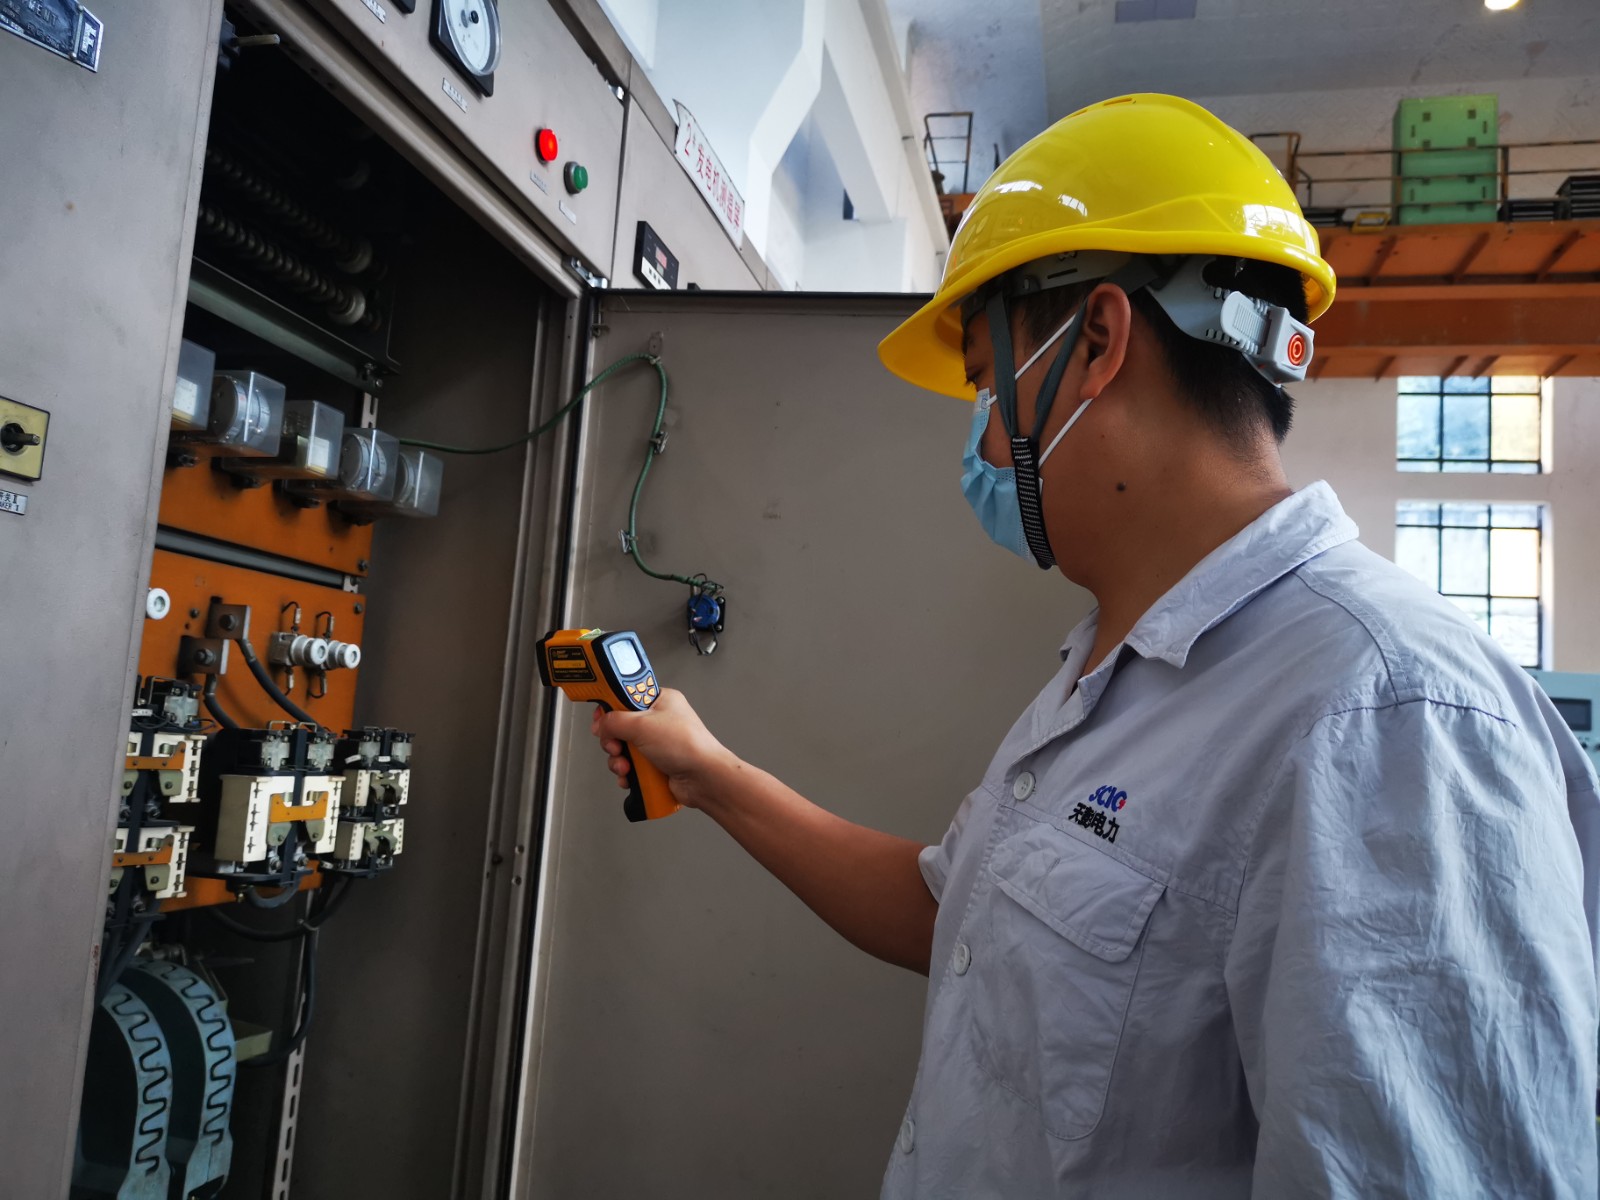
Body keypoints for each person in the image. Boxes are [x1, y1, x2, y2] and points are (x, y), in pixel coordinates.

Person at [591, 93, 1600, 1197]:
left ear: (1100, 344)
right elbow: (955, 913)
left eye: (988, 387)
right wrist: (708, 773)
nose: (985, 442)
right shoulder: (1117, 668)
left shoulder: (1387, 718)